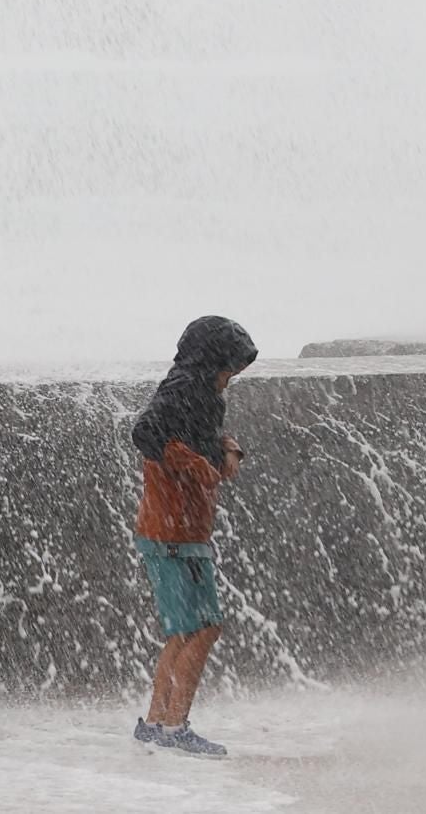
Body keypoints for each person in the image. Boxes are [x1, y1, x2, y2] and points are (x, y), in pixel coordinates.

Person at [129, 315, 257, 758]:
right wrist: (195, 464)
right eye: (228, 371)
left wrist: (228, 448)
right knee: (203, 627)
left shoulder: (199, 397)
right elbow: (146, 434)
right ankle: (174, 726)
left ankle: (155, 724)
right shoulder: (182, 392)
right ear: (210, 364)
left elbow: (204, 437)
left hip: (178, 531)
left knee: (185, 631)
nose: (229, 380)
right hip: (172, 532)